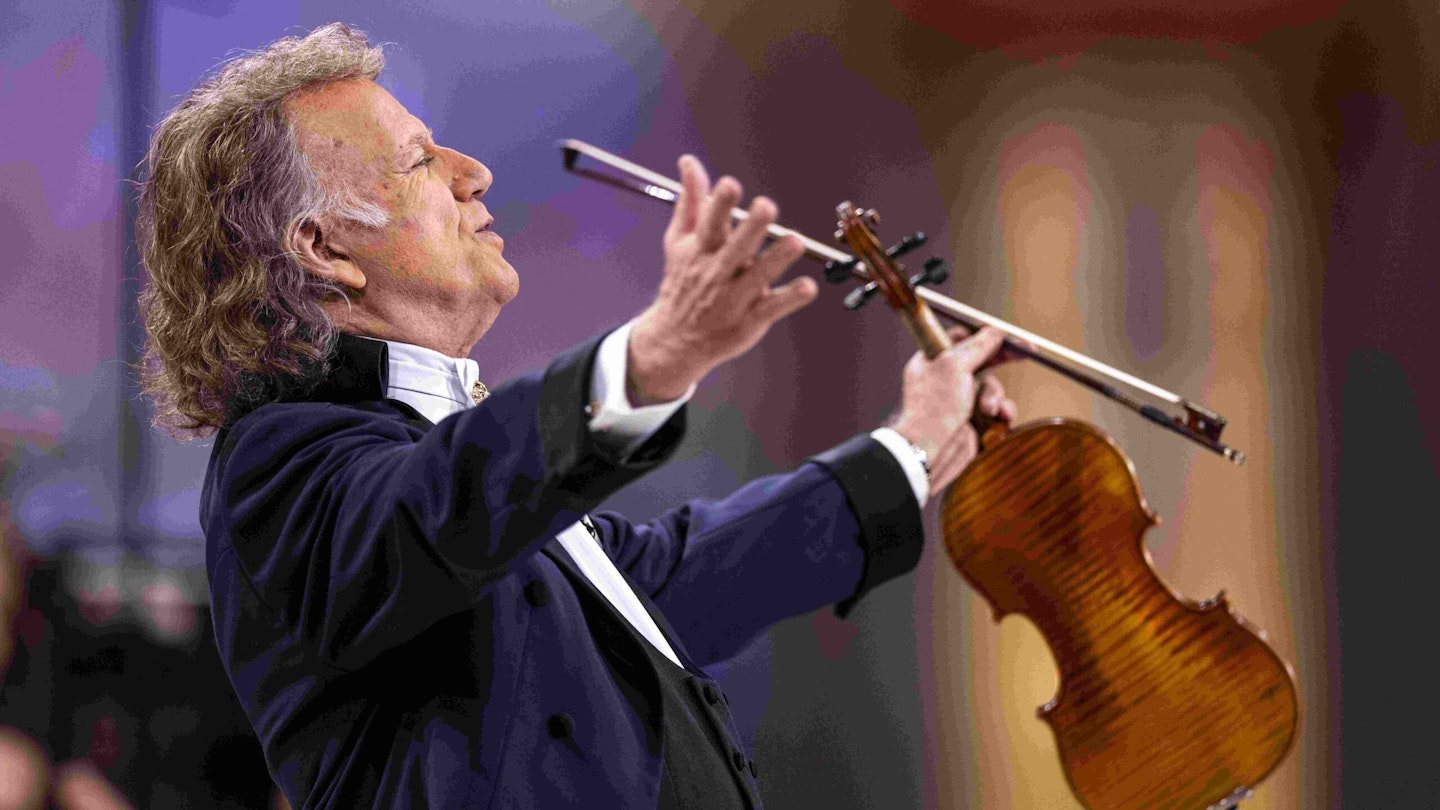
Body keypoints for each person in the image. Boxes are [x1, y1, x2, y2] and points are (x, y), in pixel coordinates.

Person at [136, 23, 1015, 810]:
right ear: (324, 249)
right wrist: (650, 359)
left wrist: (912, 447)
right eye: (418, 160)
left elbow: (672, 587)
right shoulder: (282, 462)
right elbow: (440, 505)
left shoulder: (449, 457)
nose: (471, 171)